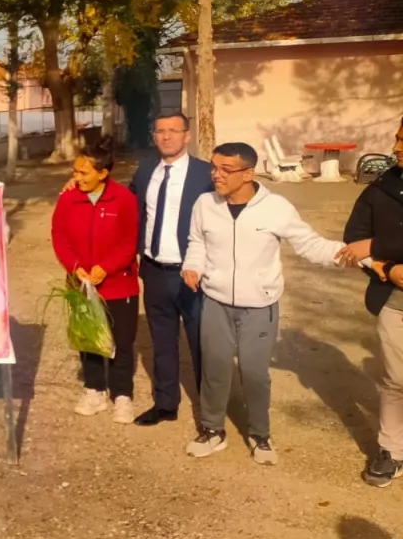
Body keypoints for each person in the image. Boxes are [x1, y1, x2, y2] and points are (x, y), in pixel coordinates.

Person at [181, 142, 345, 465]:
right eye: (214, 167)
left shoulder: (276, 208)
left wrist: (353, 254)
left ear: (248, 173)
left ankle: (259, 434)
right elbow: (197, 241)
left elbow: (311, 245)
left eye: (226, 169)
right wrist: (193, 265)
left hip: (259, 306)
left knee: (255, 373)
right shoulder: (205, 204)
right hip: (214, 302)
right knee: (214, 369)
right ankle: (212, 430)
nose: (216, 175)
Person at [129, 113, 215, 427]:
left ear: (187, 135)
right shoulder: (146, 171)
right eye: (160, 131)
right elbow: (126, 204)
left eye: (173, 131)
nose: (166, 137)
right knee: (162, 342)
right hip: (154, 271)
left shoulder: (206, 174)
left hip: (193, 274)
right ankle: (166, 404)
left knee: (202, 343)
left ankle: (211, 412)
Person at [51, 137, 141, 423]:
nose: (77, 178)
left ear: (103, 173)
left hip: (118, 285)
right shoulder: (68, 198)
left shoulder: (123, 199)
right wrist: (75, 267)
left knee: (121, 342)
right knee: (89, 340)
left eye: (84, 172)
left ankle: (122, 395)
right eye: (75, 171)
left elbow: (129, 242)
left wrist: (107, 268)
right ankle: (94, 390)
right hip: (82, 285)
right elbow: (59, 237)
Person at [342, 116, 403, 486]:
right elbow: (354, 240)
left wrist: (378, 246)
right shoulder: (381, 188)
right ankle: (391, 450)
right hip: (395, 302)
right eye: (397, 138)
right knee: (396, 379)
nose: (396, 147)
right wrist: (385, 268)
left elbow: (369, 243)